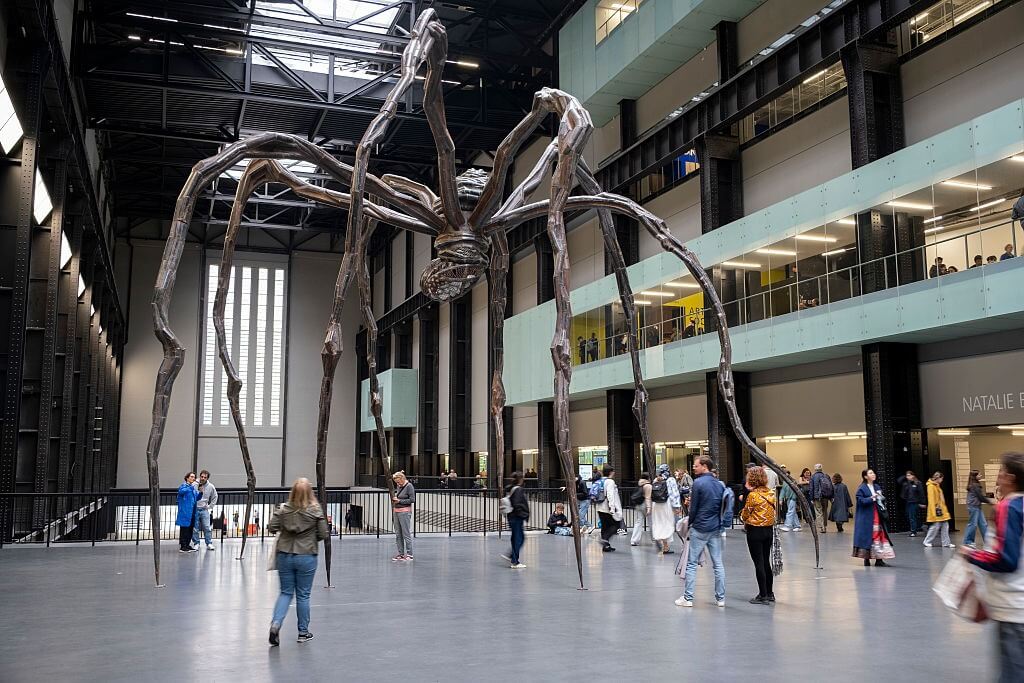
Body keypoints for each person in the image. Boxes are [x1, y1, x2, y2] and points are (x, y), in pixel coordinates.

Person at [963, 451, 1024, 682]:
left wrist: (972, 555)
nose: (997, 475)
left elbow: (1005, 559)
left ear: (1009, 477)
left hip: (1013, 606)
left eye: (1000, 470)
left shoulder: (1009, 508)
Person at [267, 477, 328, 646]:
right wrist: (310, 538)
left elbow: (272, 527)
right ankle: (303, 632)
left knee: (285, 592)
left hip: (285, 554)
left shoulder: (283, 509)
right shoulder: (316, 510)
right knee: (303, 594)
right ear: (310, 492)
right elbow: (323, 534)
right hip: (306, 555)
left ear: (292, 492)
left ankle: (276, 623)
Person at [675, 456, 726, 607]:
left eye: (696, 466)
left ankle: (688, 598)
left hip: (699, 527)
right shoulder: (719, 484)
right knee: (718, 563)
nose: (694, 468)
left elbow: (694, 507)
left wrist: (690, 524)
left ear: (704, 466)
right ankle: (720, 598)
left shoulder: (698, 483)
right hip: (714, 527)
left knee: (691, 563)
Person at [740, 466, 777, 605]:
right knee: (766, 561)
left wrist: (742, 515)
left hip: (755, 531)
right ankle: (770, 592)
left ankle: (762, 595)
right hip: (768, 530)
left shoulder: (753, 495)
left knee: (758, 563)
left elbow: (745, 514)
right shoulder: (771, 493)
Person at [853, 469, 895, 566]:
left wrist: (881, 498)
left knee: (879, 536)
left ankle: (879, 559)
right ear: (865, 476)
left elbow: (881, 499)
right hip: (867, 517)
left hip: (877, 515)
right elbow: (860, 501)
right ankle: (866, 558)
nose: (873, 474)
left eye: (873, 473)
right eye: (870, 473)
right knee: (868, 537)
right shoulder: (862, 488)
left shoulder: (877, 487)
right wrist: (871, 498)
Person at [594, 465, 623, 552]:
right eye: (613, 471)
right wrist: (612, 508)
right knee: (616, 524)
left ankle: (606, 546)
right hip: (607, 508)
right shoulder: (610, 482)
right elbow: (610, 495)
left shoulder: (601, 480)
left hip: (600, 507)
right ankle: (605, 540)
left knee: (605, 526)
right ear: (611, 472)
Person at [964, 469, 995, 548]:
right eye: (979, 475)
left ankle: (987, 541)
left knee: (983, 524)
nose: (981, 476)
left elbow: (980, 497)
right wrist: (990, 502)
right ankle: (968, 541)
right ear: (975, 476)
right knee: (973, 524)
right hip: (973, 506)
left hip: (976, 506)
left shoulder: (974, 484)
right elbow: (980, 497)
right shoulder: (975, 485)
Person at [923, 472, 955, 548]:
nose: (942, 480)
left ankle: (946, 543)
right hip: (937, 510)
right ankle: (927, 541)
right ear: (938, 478)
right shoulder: (931, 486)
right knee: (936, 526)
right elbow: (931, 500)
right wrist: (933, 512)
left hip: (941, 509)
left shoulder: (936, 486)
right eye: (942, 478)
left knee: (945, 525)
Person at [505, 471, 530, 568]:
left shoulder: (510, 488)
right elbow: (517, 504)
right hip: (516, 517)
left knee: (516, 537)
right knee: (519, 538)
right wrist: (523, 514)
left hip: (512, 516)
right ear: (520, 479)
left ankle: (512, 556)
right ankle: (514, 561)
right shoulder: (518, 490)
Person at [652, 463, 677, 554]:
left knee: (659, 523)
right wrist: (676, 507)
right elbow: (674, 494)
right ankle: (666, 547)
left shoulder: (656, 480)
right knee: (668, 523)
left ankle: (661, 542)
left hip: (656, 505)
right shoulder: (671, 480)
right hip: (666, 504)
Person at [391, 471, 416, 561]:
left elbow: (412, 499)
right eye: (396, 482)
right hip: (396, 511)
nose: (397, 484)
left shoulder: (409, 486)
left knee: (406, 533)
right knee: (398, 534)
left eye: (398, 481)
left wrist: (399, 501)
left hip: (404, 512)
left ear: (402, 478)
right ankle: (401, 554)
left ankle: (409, 554)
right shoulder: (399, 486)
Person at [191, 469, 218, 551]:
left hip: (204, 509)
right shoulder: (194, 484)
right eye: (201, 476)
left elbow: (215, 497)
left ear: (207, 478)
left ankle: (209, 543)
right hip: (195, 509)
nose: (202, 478)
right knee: (195, 528)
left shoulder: (211, 486)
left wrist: (210, 506)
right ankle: (196, 543)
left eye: (205, 477)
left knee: (207, 527)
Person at [176, 472, 199, 553]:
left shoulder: (192, 488)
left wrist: (201, 492)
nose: (193, 478)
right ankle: (183, 545)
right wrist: (191, 488)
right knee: (184, 529)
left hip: (192, 511)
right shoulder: (184, 486)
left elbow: (197, 497)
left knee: (190, 529)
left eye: (194, 477)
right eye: (192, 477)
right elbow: (181, 492)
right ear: (187, 478)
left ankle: (187, 544)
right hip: (185, 511)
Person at [897, 470, 926, 536]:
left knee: (912, 516)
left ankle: (913, 531)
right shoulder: (906, 483)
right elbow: (899, 480)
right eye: (907, 476)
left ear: (913, 475)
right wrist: (905, 476)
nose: (908, 477)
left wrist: (923, 502)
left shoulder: (918, 483)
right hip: (908, 502)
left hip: (915, 502)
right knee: (908, 515)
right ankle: (920, 526)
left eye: (909, 475)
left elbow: (921, 493)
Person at [629, 472, 652, 547]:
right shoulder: (648, 485)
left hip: (639, 505)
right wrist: (649, 508)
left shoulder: (640, 483)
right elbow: (648, 498)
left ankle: (634, 540)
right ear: (648, 478)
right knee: (651, 521)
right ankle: (655, 537)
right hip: (645, 505)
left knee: (638, 522)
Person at [810, 464, 833, 533]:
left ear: (815, 469)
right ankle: (825, 526)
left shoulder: (813, 477)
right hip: (825, 496)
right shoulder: (826, 476)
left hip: (817, 497)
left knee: (818, 511)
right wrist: (831, 497)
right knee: (825, 511)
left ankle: (821, 527)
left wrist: (811, 498)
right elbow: (831, 487)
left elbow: (811, 488)